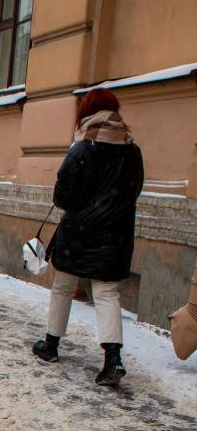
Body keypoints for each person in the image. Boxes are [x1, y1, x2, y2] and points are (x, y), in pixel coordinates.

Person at [32, 88, 144, 387]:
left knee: (63, 287)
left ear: (87, 113)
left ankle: (51, 346)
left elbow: (63, 196)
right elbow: (134, 192)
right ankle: (112, 360)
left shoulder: (82, 148)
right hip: (115, 237)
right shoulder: (132, 151)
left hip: (79, 234)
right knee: (107, 294)